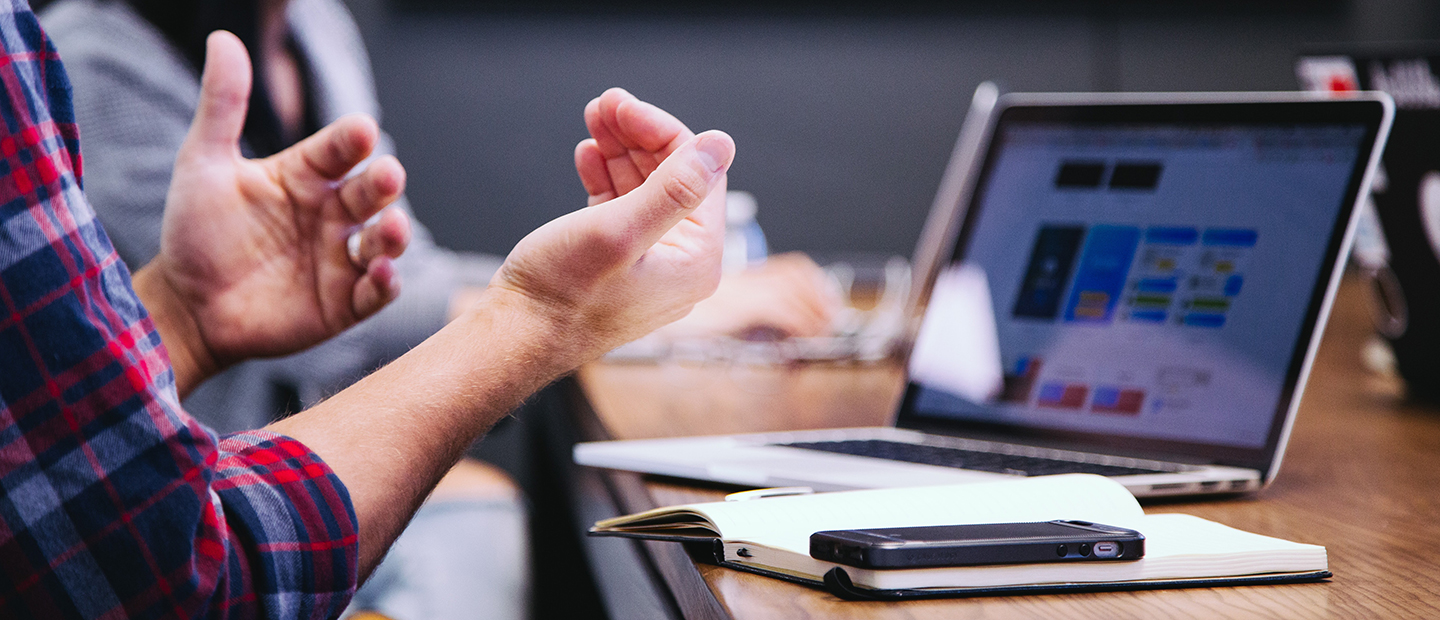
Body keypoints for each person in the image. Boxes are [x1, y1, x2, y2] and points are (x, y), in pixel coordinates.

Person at [0, 0, 737, 615]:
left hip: (270, 483)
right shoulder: (88, 55)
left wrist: (187, 317)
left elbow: (393, 268)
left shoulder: (315, 25)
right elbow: (167, 576)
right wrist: (547, 315)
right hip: (230, 504)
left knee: (486, 524)